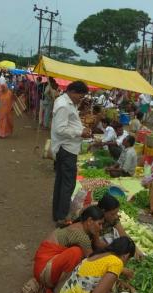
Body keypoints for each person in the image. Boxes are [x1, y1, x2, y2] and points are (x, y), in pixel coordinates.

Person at [22, 206, 104, 293]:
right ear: (90, 221)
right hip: (44, 270)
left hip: (41, 266)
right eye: (99, 224)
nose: (101, 228)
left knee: (78, 255)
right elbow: (93, 260)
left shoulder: (78, 223)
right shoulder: (82, 237)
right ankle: (58, 291)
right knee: (76, 253)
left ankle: (52, 285)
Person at [58, 236, 137, 293]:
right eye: (128, 259)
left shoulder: (98, 254)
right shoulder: (117, 263)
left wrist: (124, 285)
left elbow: (96, 278)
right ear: (126, 255)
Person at [51, 81, 91, 224]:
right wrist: (80, 132)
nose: (80, 100)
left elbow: (68, 122)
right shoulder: (63, 105)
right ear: (72, 92)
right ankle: (62, 217)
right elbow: (59, 129)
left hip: (67, 148)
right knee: (68, 184)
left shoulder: (68, 103)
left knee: (61, 182)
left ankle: (58, 214)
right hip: (66, 149)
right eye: (80, 97)